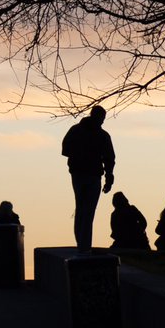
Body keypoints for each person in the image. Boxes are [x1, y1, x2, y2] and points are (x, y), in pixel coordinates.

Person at [61, 105, 115, 252]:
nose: (102, 122)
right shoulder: (96, 134)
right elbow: (66, 150)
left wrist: (109, 177)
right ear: (95, 116)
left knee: (83, 209)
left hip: (85, 174)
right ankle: (84, 245)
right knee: (87, 210)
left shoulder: (79, 131)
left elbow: (109, 158)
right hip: (86, 174)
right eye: (101, 118)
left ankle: (83, 244)